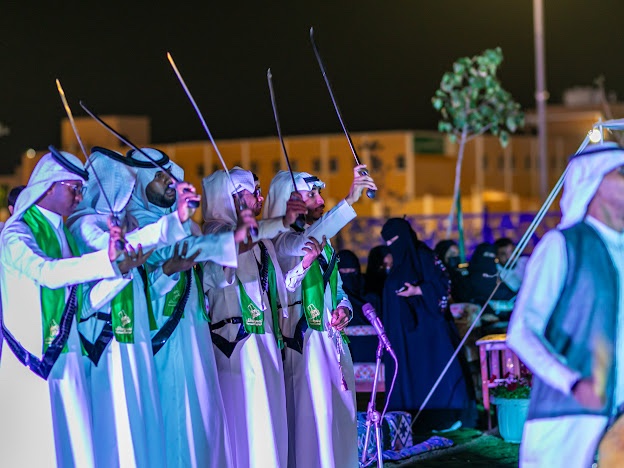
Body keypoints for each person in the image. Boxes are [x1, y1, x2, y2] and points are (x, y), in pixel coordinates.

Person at [67, 147, 200, 468]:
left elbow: (139, 273)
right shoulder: (85, 226)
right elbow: (123, 252)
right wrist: (176, 221)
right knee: (116, 436)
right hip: (106, 346)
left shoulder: (122, 225)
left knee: (143, 434)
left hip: (134, 342)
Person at [126, 150, 254, 468]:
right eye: (158, 177)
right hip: (160, 339)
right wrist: (168, 272)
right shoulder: (132, 228)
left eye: (168, 175)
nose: (168, 182)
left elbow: (202, 265)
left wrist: (232, 248)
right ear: (140, 181)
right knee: (170, 423)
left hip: (195, 334)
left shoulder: (187, 227)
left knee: (202, 422)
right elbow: (137, 287)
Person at [0, 149, 125, 467]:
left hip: (69, 364)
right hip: (31, 364)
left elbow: (82, 304)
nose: (80, 198)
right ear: (49, 186)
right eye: (74, 188)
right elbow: (46, 273)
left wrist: (121, 272)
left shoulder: (64, 234)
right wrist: (106, 261)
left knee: (75, 454)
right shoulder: (16, 233)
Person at [507, 142, 624, 467]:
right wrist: (571, 382)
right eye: (621, 172)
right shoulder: (562, 245)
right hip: (568, 416)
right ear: (594, 181)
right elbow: (521, 331)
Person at [263, 165, 376, 468]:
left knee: (340, 415)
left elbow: (337, 290)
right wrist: (349, 201)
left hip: (333, 342)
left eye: (319, 194)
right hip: (304, 347)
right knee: (314, 419)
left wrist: (345, 309)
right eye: (311, 195)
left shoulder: (321, 243)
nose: (320, 200)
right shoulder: (281, 241)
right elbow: (300, 251)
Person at [201, 167, 308, 468]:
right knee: (245, 427)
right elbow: (227, 258)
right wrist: (280, 222)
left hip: (265, 344)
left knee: (269, 430)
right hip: (236, 348)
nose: (260, 198)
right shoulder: (215, 233)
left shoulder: (262, 241)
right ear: (235, 198)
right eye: (253, 193)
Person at [381, 218, 475, 430]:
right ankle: (412, 419)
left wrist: (417, 290)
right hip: (404, 334)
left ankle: (444, 417)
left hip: (430, 328)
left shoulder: (424, 256)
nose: (391, 246)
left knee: (437, 370)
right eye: (387, 242)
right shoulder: (396, 263)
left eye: (394, 240)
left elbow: (444, 284)